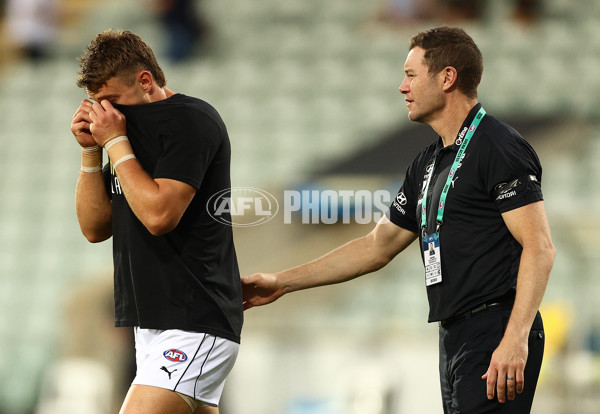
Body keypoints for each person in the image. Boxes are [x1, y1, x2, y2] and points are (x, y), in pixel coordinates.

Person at [242, 26, 555, 413]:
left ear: (447, 78)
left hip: (497, 328)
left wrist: (515, 338)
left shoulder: (499, 147)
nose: (402, 87)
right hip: (455, 333)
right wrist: (281, 282)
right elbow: (377, 245)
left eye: (410, 75)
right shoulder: (426, 163)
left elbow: (539, 247)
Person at [70, 29, 243, 414]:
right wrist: (90, 153)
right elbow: (94, 228)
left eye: (112, 101)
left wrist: (115, 143)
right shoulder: (122, 134)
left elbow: (159, 215)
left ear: (145, 81)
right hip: (150, 322)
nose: (106, 115)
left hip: (195, 316)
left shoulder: (190, 120)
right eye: (98, 104)